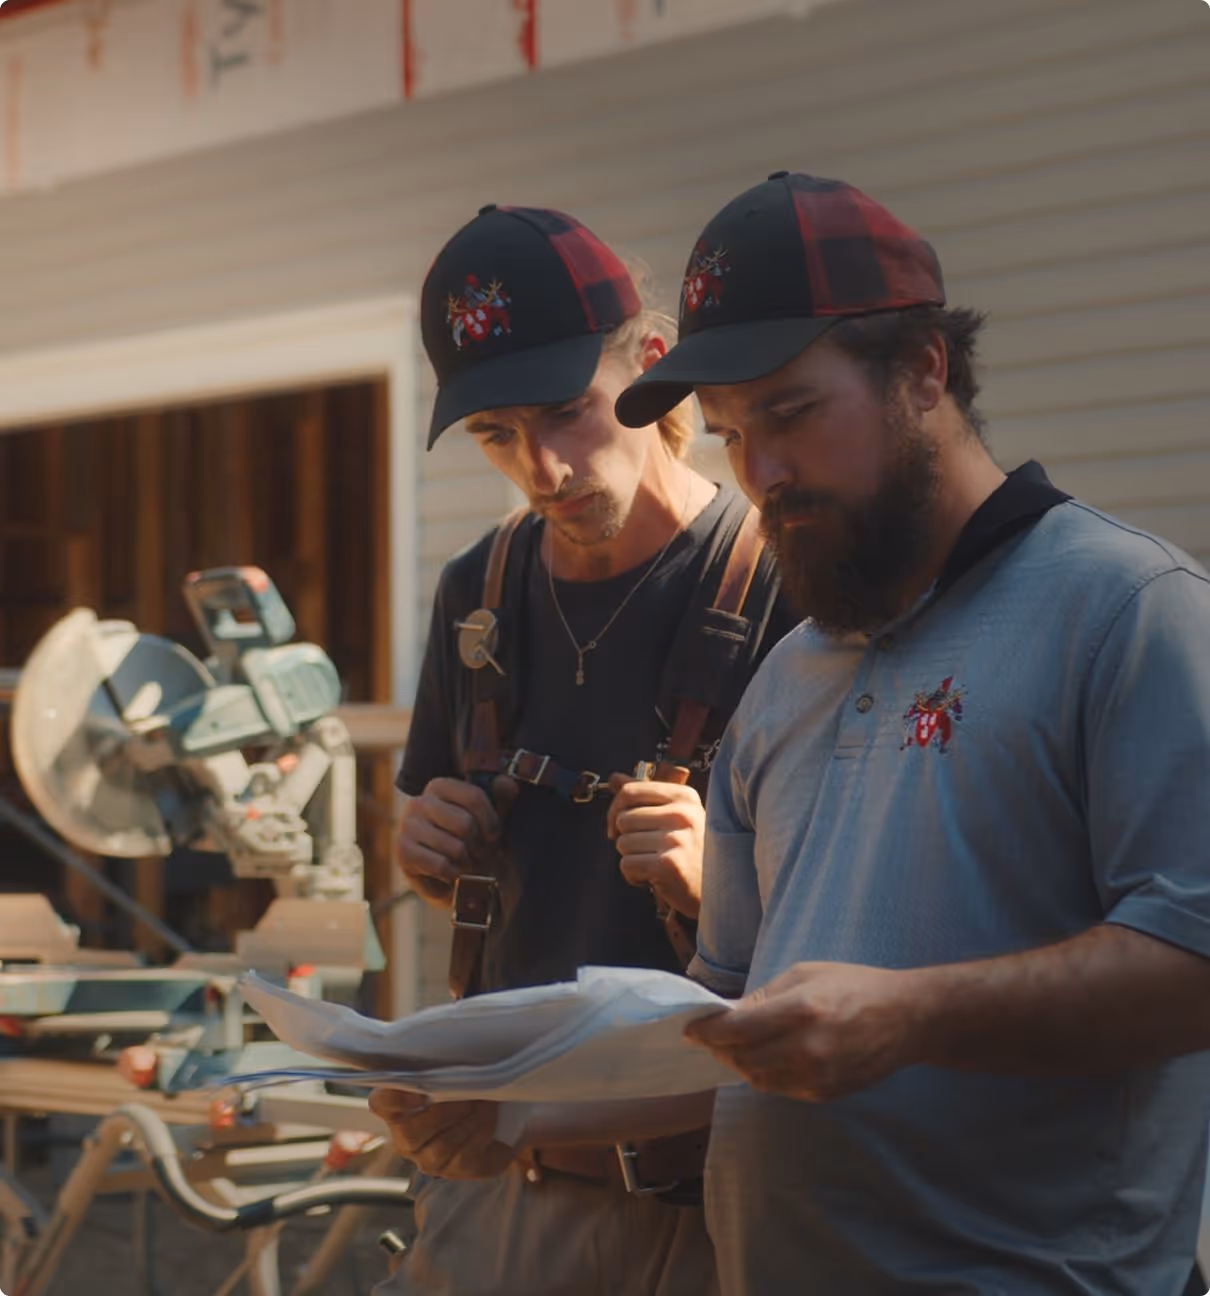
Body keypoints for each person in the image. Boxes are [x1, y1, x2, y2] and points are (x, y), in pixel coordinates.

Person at [610, 169, 1210, 1295]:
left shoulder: (1128, 611)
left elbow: (1196, 962)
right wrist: (508, 1117)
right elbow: (733, 1032)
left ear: (924, 369)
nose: (762, 474)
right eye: (732, 435)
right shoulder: (782, 679)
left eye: (790, 412)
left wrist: (913, 1017)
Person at [371, 202, 794, 1296]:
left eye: (568, 413)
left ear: (653, 367)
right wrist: (420, 853)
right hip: (506, 1196)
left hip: (720, 1198)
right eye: (495, 436)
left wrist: (724, 884)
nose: (543, 468)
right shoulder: (480, 590)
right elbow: (446, 880)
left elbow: (879, 930)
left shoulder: (784, 586)